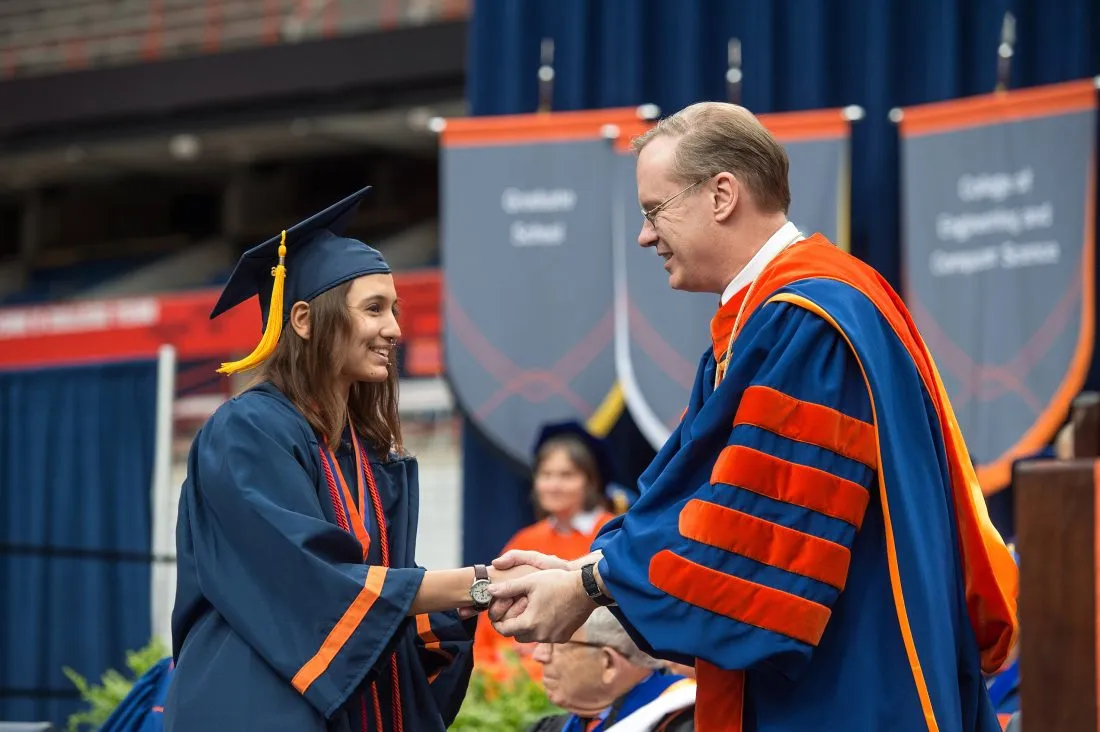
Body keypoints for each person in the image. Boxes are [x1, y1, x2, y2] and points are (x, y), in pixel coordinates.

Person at [485, 103, 1019, 731]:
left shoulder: (809, 322)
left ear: (721, 194)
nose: (646, 236)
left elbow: (756, 538)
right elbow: (685, 498)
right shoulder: (765, 321)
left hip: (849, 685)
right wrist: (586, 568)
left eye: (655, 211)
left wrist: (591, 587)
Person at [165, 187, 529, 731]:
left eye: (396, 310)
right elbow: (317, 582)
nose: (395, 330)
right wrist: (479, 582)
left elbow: (375, 597)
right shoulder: (245, 432)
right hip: (255, 706)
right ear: (306, 319)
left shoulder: (365, 453)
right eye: (374, 309)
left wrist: (452, 609)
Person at [474, 421, 620, 679]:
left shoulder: (613, 535)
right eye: (546, 475)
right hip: (519, 675)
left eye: (566, 475)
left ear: (590, 482)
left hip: (590, 670)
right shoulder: (525, 540)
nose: (553, 485)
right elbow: (490, 624)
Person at [526, 608, 695, 732]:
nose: (539, 655)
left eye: (555, 643)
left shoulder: (685, 721)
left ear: (608, 663)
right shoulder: (553, 728)